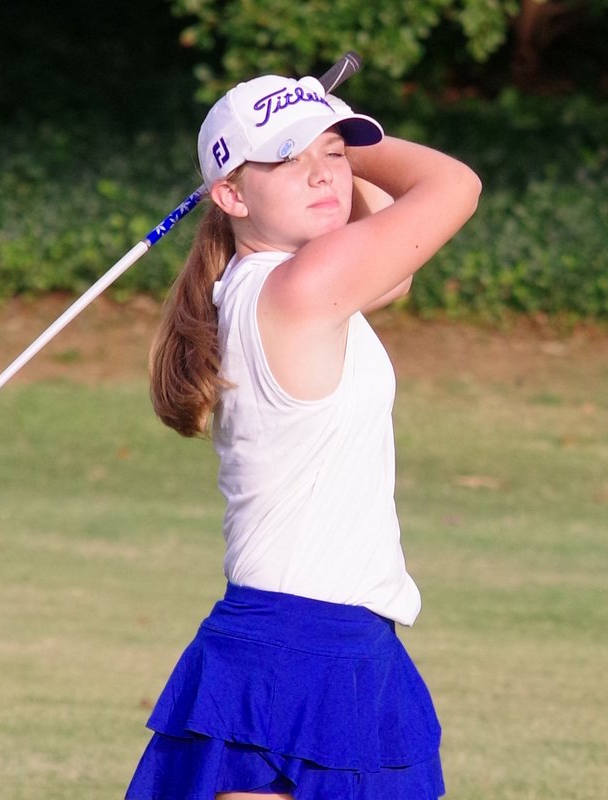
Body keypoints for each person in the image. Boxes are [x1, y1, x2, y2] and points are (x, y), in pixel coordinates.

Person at [126, 71, 482, 800]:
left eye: (333, 155)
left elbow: (397, 275)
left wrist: (327, 131)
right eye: (288, 159)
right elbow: (454, 186)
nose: (323, 174)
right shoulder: (302, 286)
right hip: (300, 648)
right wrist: (349, 125)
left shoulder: (278, 283)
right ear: (231, 195)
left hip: (319, 642)